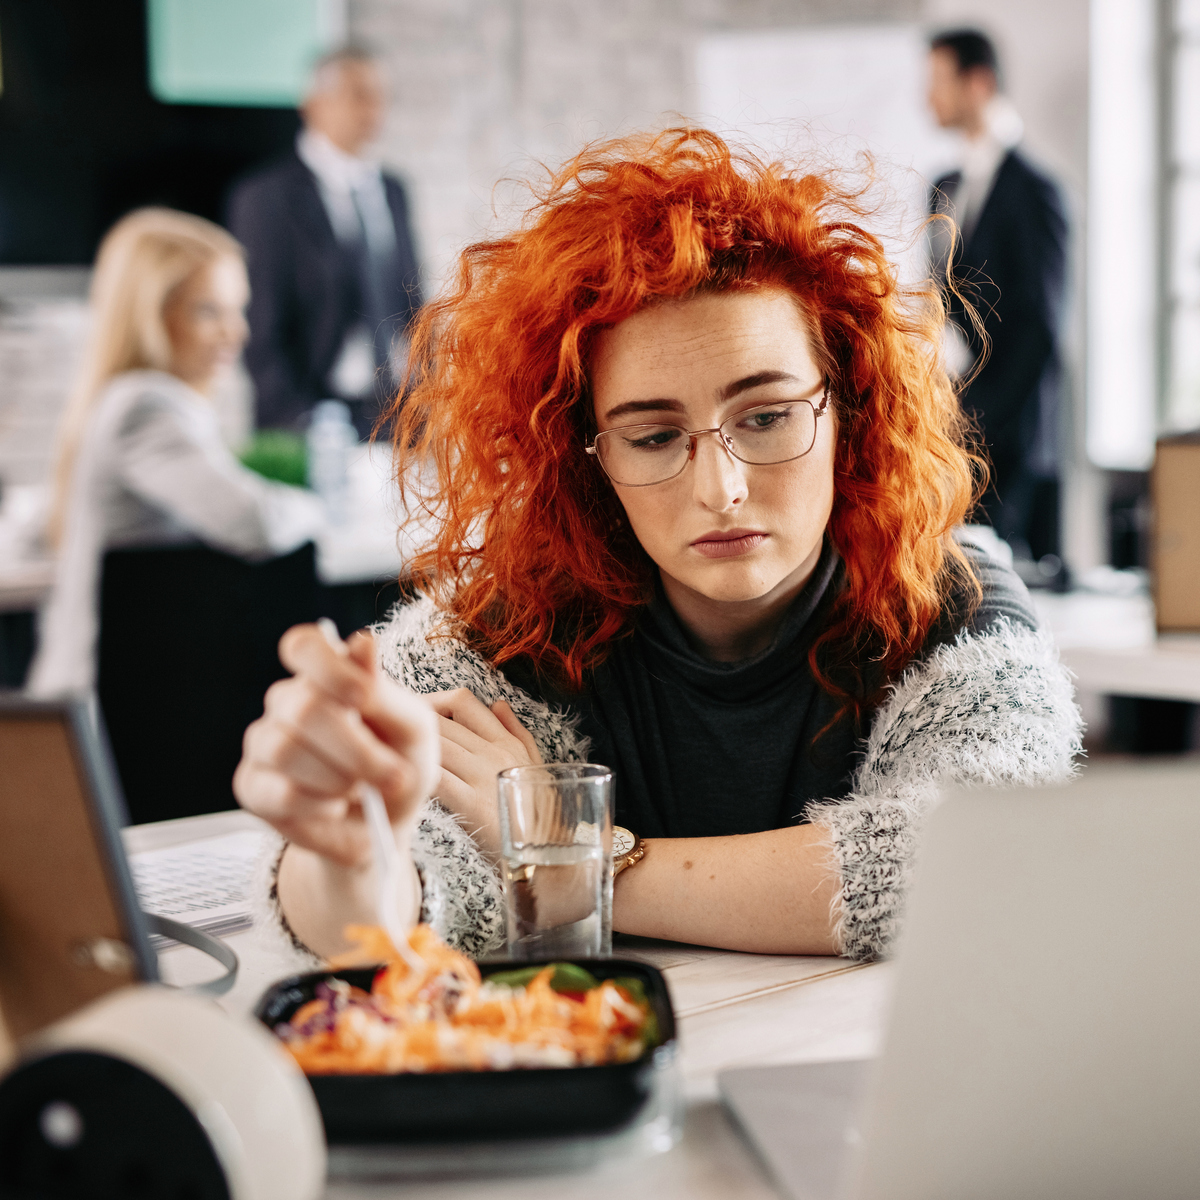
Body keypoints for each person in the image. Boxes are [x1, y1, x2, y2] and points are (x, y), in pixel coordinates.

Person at [234, 130, 1081, 966]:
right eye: (651, 437)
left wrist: (567, 852)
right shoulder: (502, 632)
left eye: (767, 416)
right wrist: (345, 855)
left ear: (848, 415)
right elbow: (384, 901)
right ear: (588, 458)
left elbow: (978, 866)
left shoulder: (949, 599)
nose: (721, 488)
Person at [28, 208, 324, 698]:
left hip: (118, 688)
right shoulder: (147, 406)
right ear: (151, 315)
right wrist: (322, 508)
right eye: (209, 311)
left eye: (239, 309)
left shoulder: (127, 399)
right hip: (95, 703)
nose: (238, 333)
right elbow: (257, 522)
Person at [227, 47, 423, 440]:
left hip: (393, 416)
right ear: (313, 105)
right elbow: (260, 325)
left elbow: (412, 302)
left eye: (379, 96)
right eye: (358, 94)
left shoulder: (392, 190)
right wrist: (298, 421)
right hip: (307, 417)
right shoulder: (266, 197)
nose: (372, 109)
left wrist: (426, 398)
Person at [926, 29, 1068, 568]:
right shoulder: (942, 186)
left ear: (978, 83)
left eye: (938, 81)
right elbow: (947, 309)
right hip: (952, 432)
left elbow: (1040, 328)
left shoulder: (1036, 192)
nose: (928, 97)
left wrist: (977, 419)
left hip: (1013, 444)